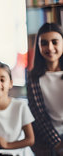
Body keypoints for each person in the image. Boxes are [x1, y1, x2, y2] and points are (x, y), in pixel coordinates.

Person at [27, 22, 63, 155]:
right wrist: (57, 143)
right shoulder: (33, 77)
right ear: (38, 47)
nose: (50, 47)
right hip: (47, 137)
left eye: (55, 42)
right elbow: (38, 114)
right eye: (44, 43)